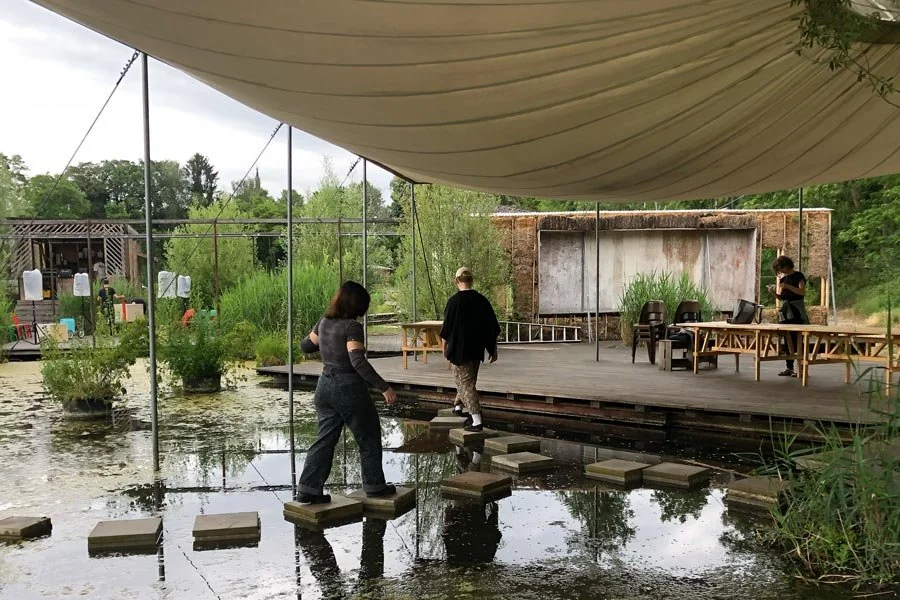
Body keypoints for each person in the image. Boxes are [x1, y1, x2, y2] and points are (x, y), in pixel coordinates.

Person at [297, 280, 398, 504]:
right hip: (348, 387)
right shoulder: (352, 327)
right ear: (358, 304)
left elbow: (306, 346)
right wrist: (384, 387)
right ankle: (374, 486)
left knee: (324, 439)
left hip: (324, 386)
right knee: (368, 435)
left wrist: (323, 338)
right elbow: (357, 362)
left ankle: (307, 489)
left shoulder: (323, 322)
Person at [439, 267, 501, 433]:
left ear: (456, 281)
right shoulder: (482, 300)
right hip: (476, 350)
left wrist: (444, 347)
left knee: (465, 384)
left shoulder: (453, 302)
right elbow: (492, 327)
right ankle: (458, 407)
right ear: (471, 280)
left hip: (459, 351)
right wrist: (493, 349)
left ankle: (477, 421)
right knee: (467, 381)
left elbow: (447, 328)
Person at [770, 255, 809, 377]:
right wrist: (773, 293)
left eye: (781, 268)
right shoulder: (783, 279)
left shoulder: (798, 276)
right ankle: (789, 367)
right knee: (787, 339)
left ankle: (801, 368)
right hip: (786, 310)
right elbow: (782, 297)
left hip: (796, 309)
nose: (781, 271)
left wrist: (788, 287)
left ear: (786, 266)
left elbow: (801, 292)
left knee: (798, 338)